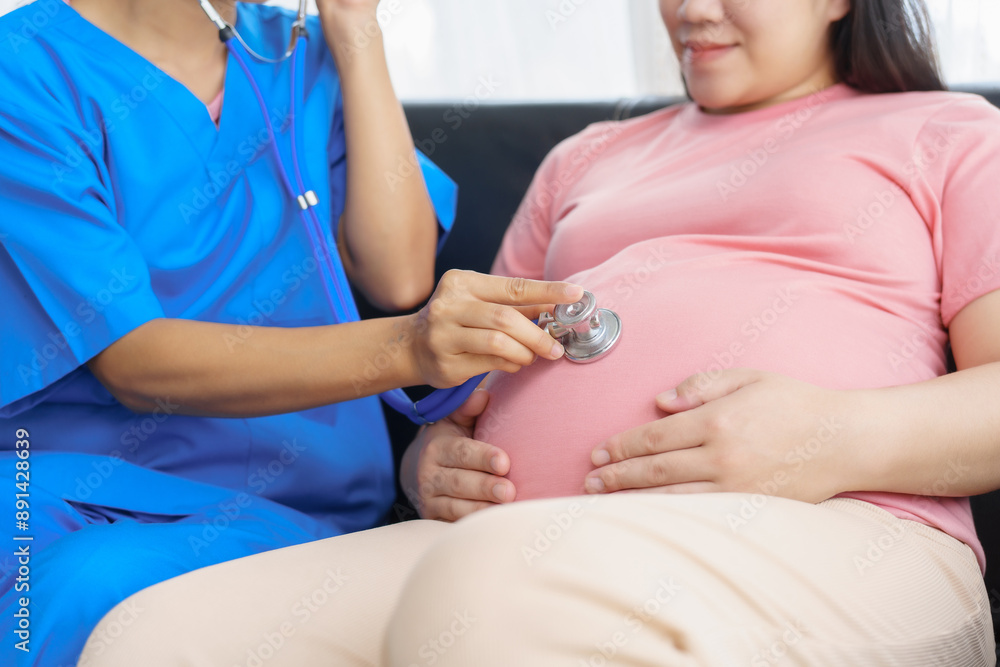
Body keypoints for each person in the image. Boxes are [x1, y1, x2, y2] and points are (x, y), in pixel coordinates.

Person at [80, 0, 1000, 664]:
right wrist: (429, 462)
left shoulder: (949, 133)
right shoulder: (585, 158)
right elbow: (473, 380)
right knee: (155, 635)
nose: (691, 11)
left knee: (500, 581)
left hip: (838, 536)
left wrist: (828, 436)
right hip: (515, 543)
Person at [0, 0, 583, 664]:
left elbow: (398, 276)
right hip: (73, 476)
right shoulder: (23, 67)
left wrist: (356, 31)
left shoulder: (300, 51)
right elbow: (135, 361)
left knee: (84, 587)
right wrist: (408, 346)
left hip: (291, 492)